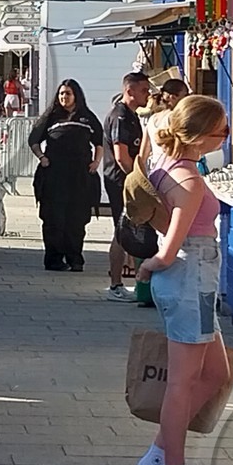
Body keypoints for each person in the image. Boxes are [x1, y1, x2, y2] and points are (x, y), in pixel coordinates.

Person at [131, 96, 233, 465]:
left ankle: (161, 453)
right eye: (222, 130)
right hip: (192, 271)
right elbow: (171, 248)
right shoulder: (189, 181)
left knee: (214, 371)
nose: (226, 136)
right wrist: (151, 266)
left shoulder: (166, 166)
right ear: (202, 136)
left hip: (192, 276)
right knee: (184, 380)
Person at [27, 78, 104, 272]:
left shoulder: (87, 117)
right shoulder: (51, 117)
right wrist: (41, 157)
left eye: (68, 94)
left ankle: (75, 259)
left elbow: (99, 142)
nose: (64, 97)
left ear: (76, 96)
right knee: (54, 219)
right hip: (54, 176)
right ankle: (54, 259)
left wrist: (96, 162)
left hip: (79, 177)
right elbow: (34, 139)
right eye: (61, 94)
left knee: (77, 220)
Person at [103, 72, 154, 302]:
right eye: (144, 90)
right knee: (121, 231)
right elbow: (122, 156)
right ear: (129, 91)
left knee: (125, 230)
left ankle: (122, 281)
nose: (148, 94)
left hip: (127, 179)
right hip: (120, 180)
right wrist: (138, 182)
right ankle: (115, 284)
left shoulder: (132, 115)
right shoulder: (121, 116)